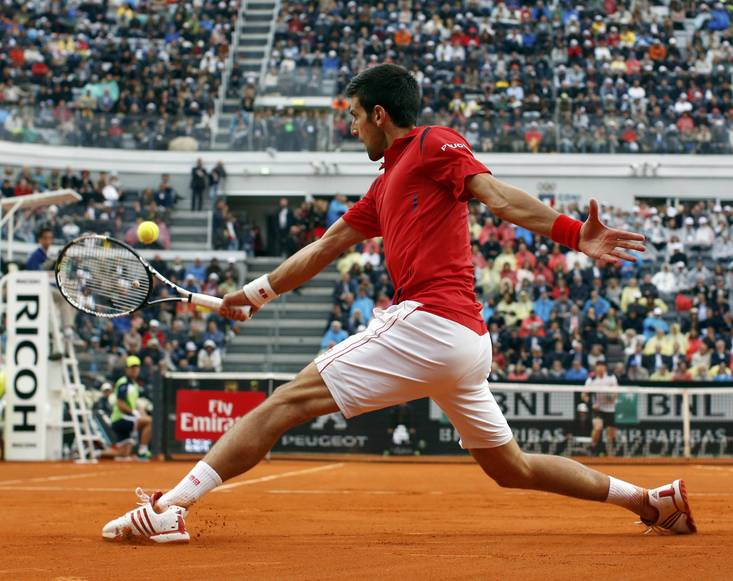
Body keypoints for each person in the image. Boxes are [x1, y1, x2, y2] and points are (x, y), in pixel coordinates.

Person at [102, 64, 693, 544]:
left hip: (432, 323)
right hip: (462, 342)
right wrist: (255, 294)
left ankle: (170, 508)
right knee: (512, 469)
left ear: (380, 115)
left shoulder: (433, 143)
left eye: (356, 117)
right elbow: (327, 245)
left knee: (283, 402)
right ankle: (650, 502)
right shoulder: (385, 185)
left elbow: (495, 195)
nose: (353, 127)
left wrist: (570, 233)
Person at [109, 356, 152, 461]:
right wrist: (134, 413)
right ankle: (142, 451)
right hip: (121, 418)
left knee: (124, 454)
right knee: (150, 422)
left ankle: (98, 453)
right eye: (132, 367)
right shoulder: (123, 383)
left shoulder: (135, 385)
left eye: (136, 367)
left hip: (126, 418)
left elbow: (134, 404)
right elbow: (120, 404)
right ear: (126, 369)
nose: (135, 370)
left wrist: (140, 412)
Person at [585, 362, 618, 456]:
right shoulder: (591, 379)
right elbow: (584, 395)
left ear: (605, 368)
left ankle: (608, 453)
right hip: (597, 409)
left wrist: (612, 397)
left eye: (603, 366)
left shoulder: (611, 378)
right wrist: (591, 404)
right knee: (598, 428)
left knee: (611, 435)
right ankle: (593, 447)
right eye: (599, 367)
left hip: (610, 409)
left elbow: (616, 392)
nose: (601, 368)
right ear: (595, 369)